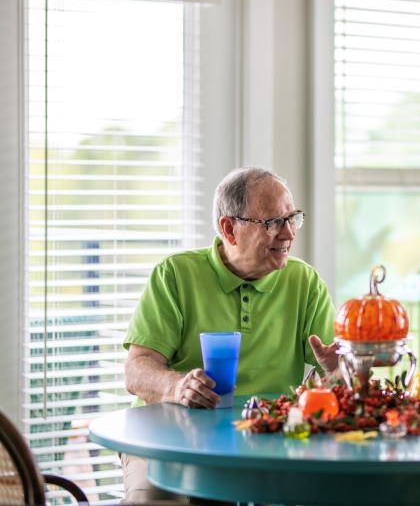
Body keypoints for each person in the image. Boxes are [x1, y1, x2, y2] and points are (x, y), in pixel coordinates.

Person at [121, 167, 339, 503]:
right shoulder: (175, 275)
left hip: (267, 440)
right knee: (154, 499)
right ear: (229, 228)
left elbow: (336, 370)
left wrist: (340, 371)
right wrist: (176, 386)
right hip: (169, 438)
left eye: (292, 218)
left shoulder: (304, 282)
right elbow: (136, 370)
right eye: (272, 222)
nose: (288, 233)